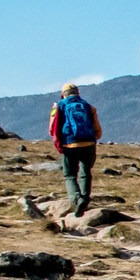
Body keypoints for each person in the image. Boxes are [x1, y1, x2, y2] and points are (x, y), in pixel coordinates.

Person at [48, 83, 103, 216]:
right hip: (89, 142)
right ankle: (85, 198)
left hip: (70, 144)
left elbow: (52, 127)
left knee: (70, 175)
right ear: (78, 93)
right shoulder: (88, 106)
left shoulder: (59, 106)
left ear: (64, 94)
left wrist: (58, 141)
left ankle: (76, 199)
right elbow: (96, 125)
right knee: (86, 171)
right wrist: (95, 136)